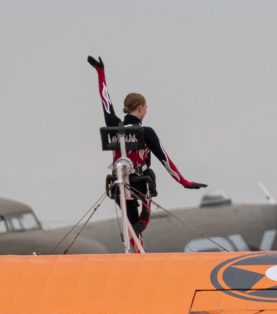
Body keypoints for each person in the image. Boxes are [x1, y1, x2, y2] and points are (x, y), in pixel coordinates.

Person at [87, 55, 207, 241]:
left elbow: (105, 101)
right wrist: (184, 182)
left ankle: (133, 238)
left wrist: (100, 72)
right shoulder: (146, 132)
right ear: (141, 108)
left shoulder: (113, 126)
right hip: (141, 183)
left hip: (117, 184)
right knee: (148, 185)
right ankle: (142, 220)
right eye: (146, 107)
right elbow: (166, 161)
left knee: (133, 225)